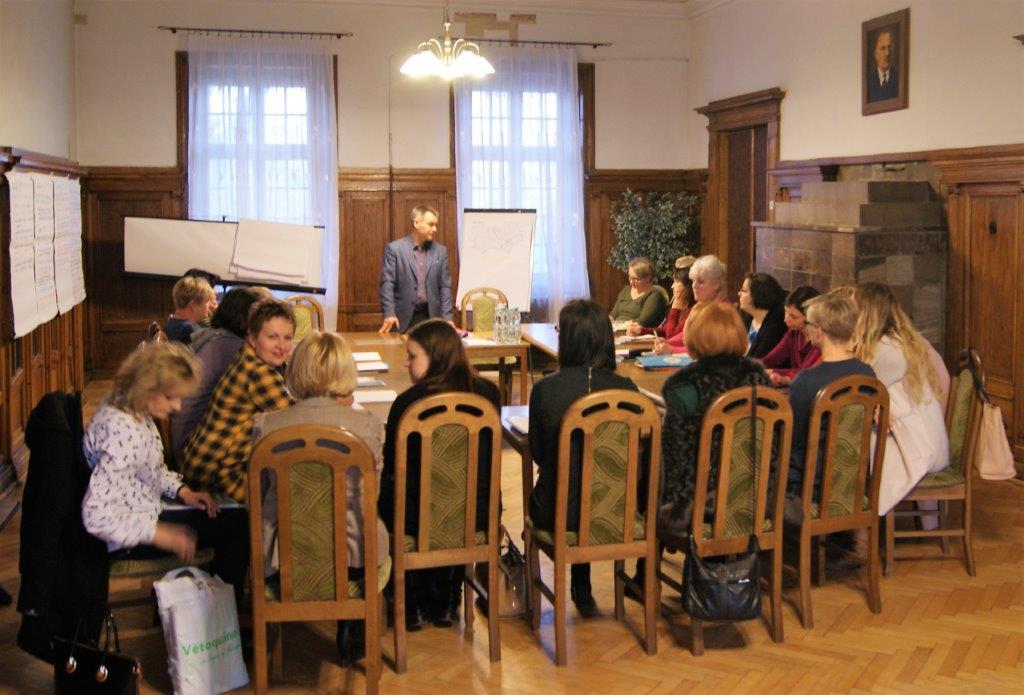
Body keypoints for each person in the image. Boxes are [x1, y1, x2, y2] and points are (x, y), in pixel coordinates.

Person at [253, 332, 388, 667]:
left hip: (282, 558)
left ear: (295, 370)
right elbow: (373, 496)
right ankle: (354, 632)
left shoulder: (267, 426)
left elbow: (260, 495)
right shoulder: (368, 427)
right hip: (356, 556)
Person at [81, 341, 249, 601]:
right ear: (146, 387)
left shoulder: (130, 407)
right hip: (128, 536)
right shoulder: (123, 431)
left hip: (144, 510)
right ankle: (220, 613)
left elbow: (150, 471)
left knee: (234, 517)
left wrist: (182, 491)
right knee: (239, 527)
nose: (177, 407)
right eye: (170, 397)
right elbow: (96, 515)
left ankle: (216, 607)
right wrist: (160, 534)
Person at [379, 320, 500, 630]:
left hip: (415, 520)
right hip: (476, 515)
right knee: (454, 496)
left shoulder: (408, 403)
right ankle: (447, 598)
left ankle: (410, 600)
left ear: (435, 356)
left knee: (401, 495)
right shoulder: (488, 394)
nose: (406, 363)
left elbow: (392, 466)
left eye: (412, 356)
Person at [528, 299, 639, 615]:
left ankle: (573, 587)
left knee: (567, 481)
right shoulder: (628, 391)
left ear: (568, 340)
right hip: (618, 512)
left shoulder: (546, 390)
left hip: (558, 513)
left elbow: (538, 453)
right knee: (593, 480)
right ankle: (582, 584)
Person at [657, 303, 770, 540]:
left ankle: (649, 559)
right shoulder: (759, 379)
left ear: (694, 337)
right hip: (757, 493)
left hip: (701, 500)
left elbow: (674, 453)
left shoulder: (684, 386)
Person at [181, 299, 296, 502]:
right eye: (272, 337)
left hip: (200, 461)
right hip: (216, 477)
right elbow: (301, 421)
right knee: (298, 487)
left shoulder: (247, 356)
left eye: (287, 338)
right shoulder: (259, 372)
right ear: (252, 337)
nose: (281, 346)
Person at [852, 283, 948, 515]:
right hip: (924, 435)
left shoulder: (887, 350)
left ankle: (850, 517)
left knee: (847, 443)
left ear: (865, 312)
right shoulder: (897, 340)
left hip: (916, 445)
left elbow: (857, 393)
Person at [786, 293, 875, 509]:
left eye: (808, 324)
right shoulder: (867, 374)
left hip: (808, 488)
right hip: (852, 485)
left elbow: (793, 441)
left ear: (819, 331)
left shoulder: (806, 381)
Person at [169, 286, 269, 460]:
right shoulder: (231, 347)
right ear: (246, 320)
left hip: (183, 435)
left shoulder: (215, 337)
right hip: (193, 446)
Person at [378, 204, 453, 334]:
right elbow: (387, 284)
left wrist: (447, 318)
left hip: (431, 318)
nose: (435, 229)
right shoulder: (395, 249)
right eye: (431, 224)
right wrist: (389, 313)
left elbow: (445, 287)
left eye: (436, 225)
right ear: (416, 223)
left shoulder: (440, 252)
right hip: (402, 318)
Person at [653, 254, 730, 355]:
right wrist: (668, 343)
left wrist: (672, 350)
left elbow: (711, 350)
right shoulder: (700, 306)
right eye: (693, 281)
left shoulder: (723, 310)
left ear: (716, 284)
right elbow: (686, 336)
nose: (694, 286)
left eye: (700, 282)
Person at [760, 285, 822, 386]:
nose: (786, 320)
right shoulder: (793, 332)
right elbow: (773, 358)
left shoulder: (819, 339)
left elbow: (805, 372)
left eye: (793, 316)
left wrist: (772, 371)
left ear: (810, 317)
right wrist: (753, 366)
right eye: (786, 313)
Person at [627, 255, 696, 338]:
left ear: (688, 286)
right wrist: (641, 330)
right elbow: (665, 330)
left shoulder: (694, 310)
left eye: (677, 281)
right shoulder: (684, 305)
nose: (672, 286)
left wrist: (675, 310)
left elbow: (671, 337)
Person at [609, 257, 669, 328]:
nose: (631, 282)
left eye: (636, 279)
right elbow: (613, 314)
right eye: (630, 277)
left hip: (635, 331)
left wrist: (619, 326)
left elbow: (643, 321)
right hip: (616, 329)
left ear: (648, 278)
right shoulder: (626, 290)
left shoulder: (654, 295)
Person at [739, 272, 788, 359]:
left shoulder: (776, 327)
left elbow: (759, 359)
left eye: (744, 291)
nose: (739, 294)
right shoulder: (747, 317)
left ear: (757, 295)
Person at [164, 275, 217, 345]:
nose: (210, 306)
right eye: (207, 301)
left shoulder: (171, 321)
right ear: (192, 305)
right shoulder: (191, 330)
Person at [867, 28, 899, 102]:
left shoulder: (899, 78)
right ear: (876, 54)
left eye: (889, 47)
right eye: (883, 48)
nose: (887, 53)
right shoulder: (868, 82)